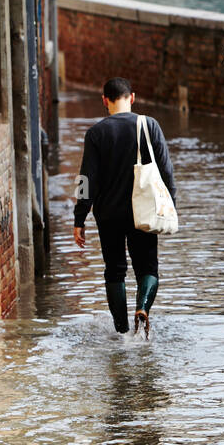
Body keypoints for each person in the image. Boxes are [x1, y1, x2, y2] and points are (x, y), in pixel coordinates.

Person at [74, 78, 177, 338]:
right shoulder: (149, 125)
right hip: (144, 211)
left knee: (115, 270)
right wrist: (170, 205)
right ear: (132, 97)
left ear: (104, 100)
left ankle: (121, 333)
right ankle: (142, 309)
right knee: (148, 268)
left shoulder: (96, 133)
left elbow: (87, 179)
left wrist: (80, 217)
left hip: (108, 214)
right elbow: (166, 171)